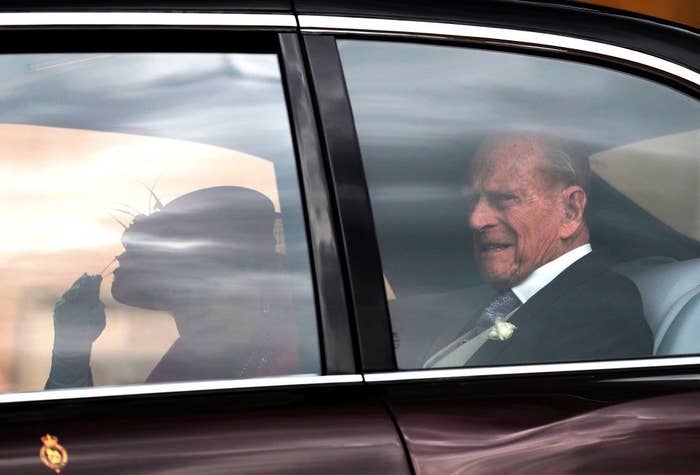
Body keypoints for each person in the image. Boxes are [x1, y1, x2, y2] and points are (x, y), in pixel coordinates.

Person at [424, 134, 653, 368]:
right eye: (473, 201)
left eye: (505, 198)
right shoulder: (502, 301)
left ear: (570, 211)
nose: (476, 220)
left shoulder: (599, 310)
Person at [46, 186, 300, 388]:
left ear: (260, 286)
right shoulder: (184, 368)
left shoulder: (301, 363)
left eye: (209, 286)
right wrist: (71, 357)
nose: (192, 307)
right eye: (178, 292)